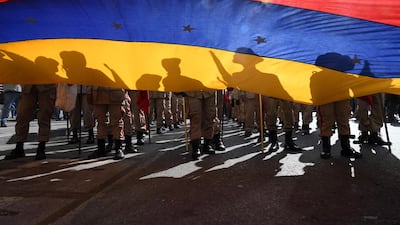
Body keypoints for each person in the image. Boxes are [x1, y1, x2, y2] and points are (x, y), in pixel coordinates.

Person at [4, 56, 58, 160]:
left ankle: (41, 148)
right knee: (22, 116)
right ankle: (19, 146)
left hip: (47, 84)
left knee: (44, 117)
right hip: (29, 83)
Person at [314, 52, 362, 159]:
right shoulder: (328, 58)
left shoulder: (335, 58)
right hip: (329, 93)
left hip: (338, 92)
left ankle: (342, 148)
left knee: (341, 119)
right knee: (330, 119)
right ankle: (331, 149)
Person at [88, 86, 125, 160]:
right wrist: (89, 91)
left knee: (116, 120)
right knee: (100, 121)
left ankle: (118, 148)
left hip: (115, 91)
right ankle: (101, 149)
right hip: (99, 92)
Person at [186, 91, 218, 160]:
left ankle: (207, 144)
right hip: (193, 89)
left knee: (210, 116)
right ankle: (196, 146)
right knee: (195, 116)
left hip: (209, 88)